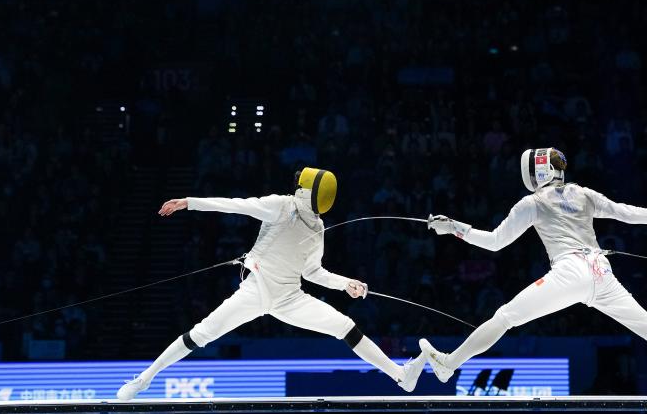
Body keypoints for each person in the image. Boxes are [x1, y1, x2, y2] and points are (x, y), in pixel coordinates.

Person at [419, 147, 647, 398]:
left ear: (538, 172)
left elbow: (494, 242)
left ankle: (449, 365)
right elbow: (623, 212)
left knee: (505, 317)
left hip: (570, 272)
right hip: (602, 273)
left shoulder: (531, 203)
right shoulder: (584, 193)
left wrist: (453, 229)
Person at [116, 167, 424, 400]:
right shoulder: (281, 205)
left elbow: (313, 272)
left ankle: (400, 375)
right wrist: (190, 202)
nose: (295, 186)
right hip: (256, 289)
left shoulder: (318, 227)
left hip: (290, 297)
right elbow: (237, 205)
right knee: (201, 334)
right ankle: (143, 379)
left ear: (308, 192)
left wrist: (346, 284)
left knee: (345, 326)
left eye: (300, 184)